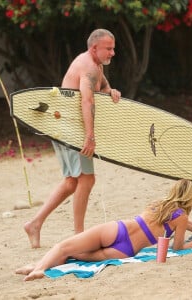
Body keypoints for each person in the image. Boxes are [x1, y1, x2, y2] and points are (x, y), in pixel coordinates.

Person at [24, 29, 121, 248]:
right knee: (86, 179)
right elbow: (86, 102)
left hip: (65, 128)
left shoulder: (95, 66)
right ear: (94, 48)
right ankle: (79, 236)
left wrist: (111, 91)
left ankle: (35, 223)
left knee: (71, 182)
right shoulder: (87, 66)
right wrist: (89, 136)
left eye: (113, 48)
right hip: (69, 129)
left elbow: (102, 86)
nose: (113, 53)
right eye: (109, 48)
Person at [16, 179, 192, 281]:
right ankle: (37, 267)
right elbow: (178, 247)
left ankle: (38, 268)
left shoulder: (159, 204)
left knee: (64, 247)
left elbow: (186, 223)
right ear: (190, 198)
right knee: (74, 253)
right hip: (126, 249)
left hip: (117, 230)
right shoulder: (181, 218)